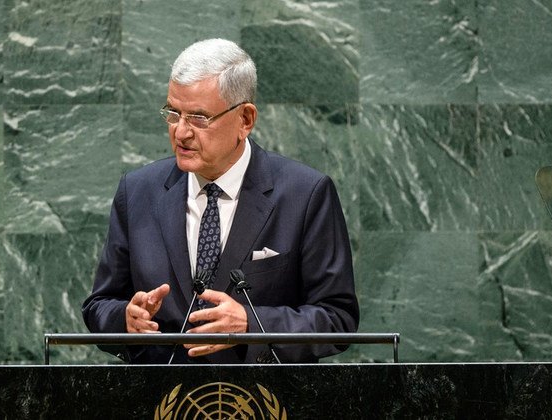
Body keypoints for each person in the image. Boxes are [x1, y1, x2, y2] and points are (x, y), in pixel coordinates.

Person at [82, 38, 358, 364]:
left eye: (199, 118)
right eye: (173, 113)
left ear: (245, 120)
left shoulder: (305, 194)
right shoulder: (138, 191)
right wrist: (126, 319)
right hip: (162, 402)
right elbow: (100, 304)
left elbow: (337, 318)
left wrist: (252, 325)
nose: (181, 132)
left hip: (262, 403)